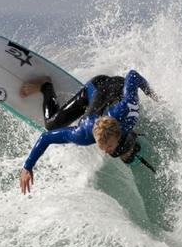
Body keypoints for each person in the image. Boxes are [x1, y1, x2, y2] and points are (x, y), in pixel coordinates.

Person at [19, 70, 158, 195]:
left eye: (107, 146)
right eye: (101, 146)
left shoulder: (127, 108)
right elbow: (46, 137)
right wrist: (27, 167)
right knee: (51, 126)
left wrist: (150, 93)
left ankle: (128, 144)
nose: (104, 151)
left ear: (117, 134)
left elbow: (132, 75)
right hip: (96, 87)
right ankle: (45, 86)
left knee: (119, 150)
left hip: (116, 88)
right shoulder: (83, 134)